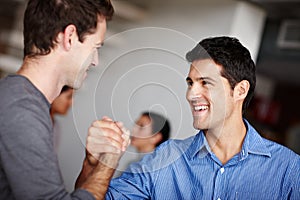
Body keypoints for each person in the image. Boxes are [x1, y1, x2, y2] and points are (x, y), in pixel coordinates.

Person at [89, 36, 300, 199]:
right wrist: (97, 162)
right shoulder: (165, 158)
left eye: (205, 82)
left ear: (240, 90)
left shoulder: (289, 169)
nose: (191, 94)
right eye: (191, 83)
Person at [0, 0, 130, 199]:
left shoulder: (25, 101)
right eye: (95, 47)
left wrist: (91, 165)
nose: (95, 61)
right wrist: (109, 163)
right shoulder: (22, 109)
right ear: (69, 37)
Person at [113, 111, 171, 177]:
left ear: (155, 137)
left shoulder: (153, 169)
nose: (133, 131)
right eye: (135, 125)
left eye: (141, 127)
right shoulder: (133, 164)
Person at [50, 86, 74, 151]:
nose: (72, 103)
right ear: (54, 95)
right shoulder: (36, 122)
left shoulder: (56, 126)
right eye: (69, 97)